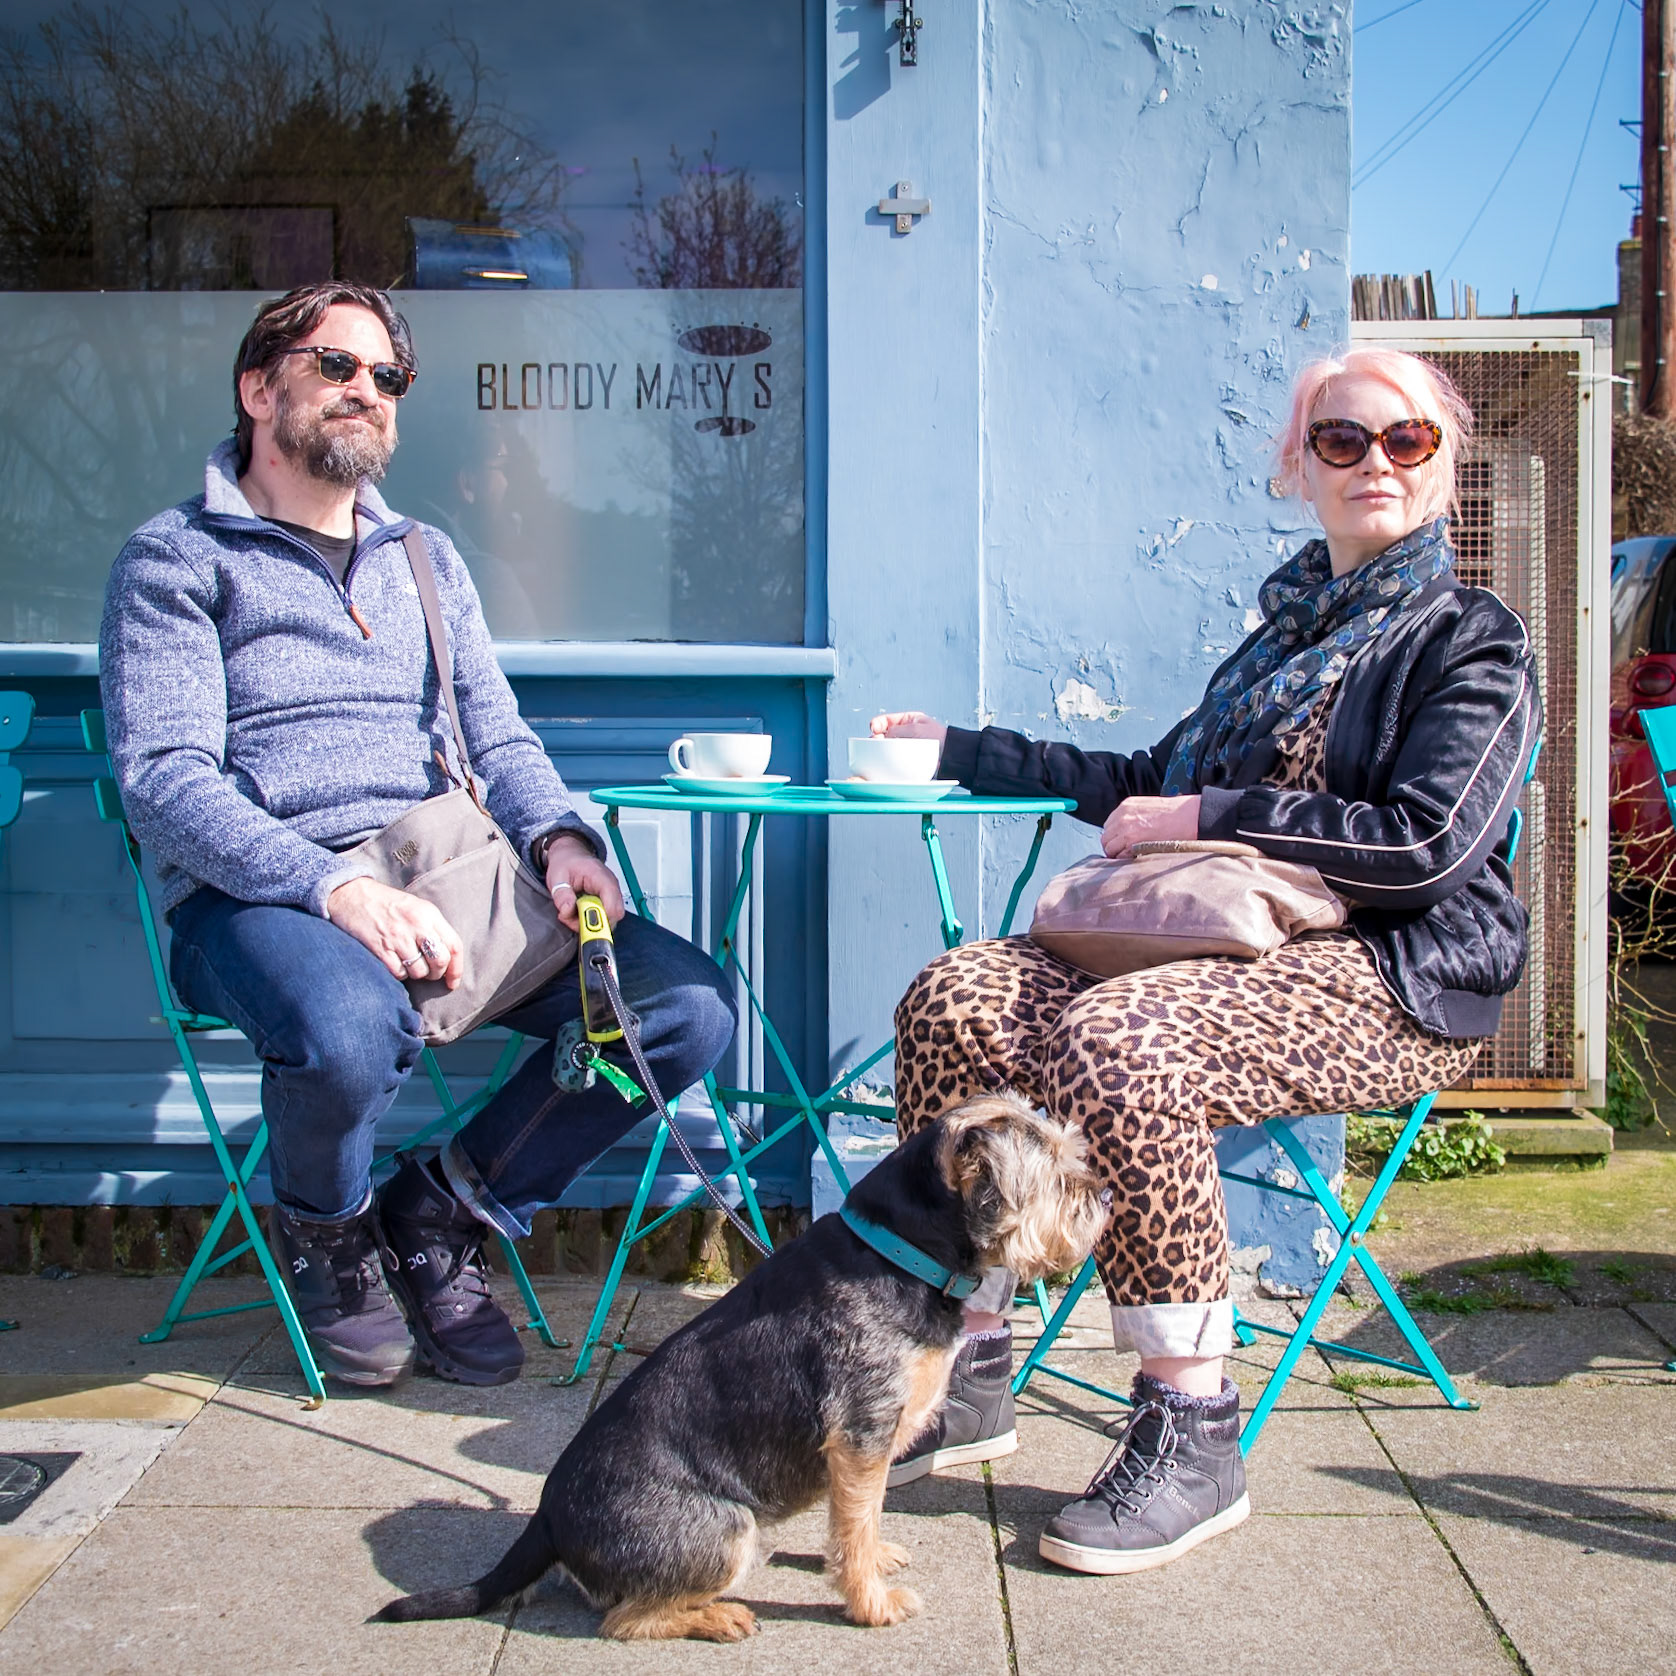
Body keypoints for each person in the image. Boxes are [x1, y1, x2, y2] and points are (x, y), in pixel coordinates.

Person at [872, 346, 1540, 1574]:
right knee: (954, 996)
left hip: (1388, 968)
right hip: (1211, 944)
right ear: (1298, 464)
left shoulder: (1469, 638)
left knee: (1124, 1040)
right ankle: (963, 1358)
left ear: (1445, 463)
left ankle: (1189, 1424)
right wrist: (965, 746)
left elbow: (1428, 844)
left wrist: (1210, 819)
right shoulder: (1280, 639)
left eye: (1406, 440)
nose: (1374, 461)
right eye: (1341, 439)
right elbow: (1143, 784)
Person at [100, 281, 737, 1390]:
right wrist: (331, 891)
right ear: (260, 387)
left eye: (387, 376)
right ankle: (331, 1234)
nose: (367, 391)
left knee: (681, 1007)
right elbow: (164, 780)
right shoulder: (175, 559)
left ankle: (443, 1206)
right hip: (256, 894)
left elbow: (498, 733)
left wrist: (558, 838)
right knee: (350, 1028)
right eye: (335, 367)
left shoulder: (424, 559)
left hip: (446, 864)